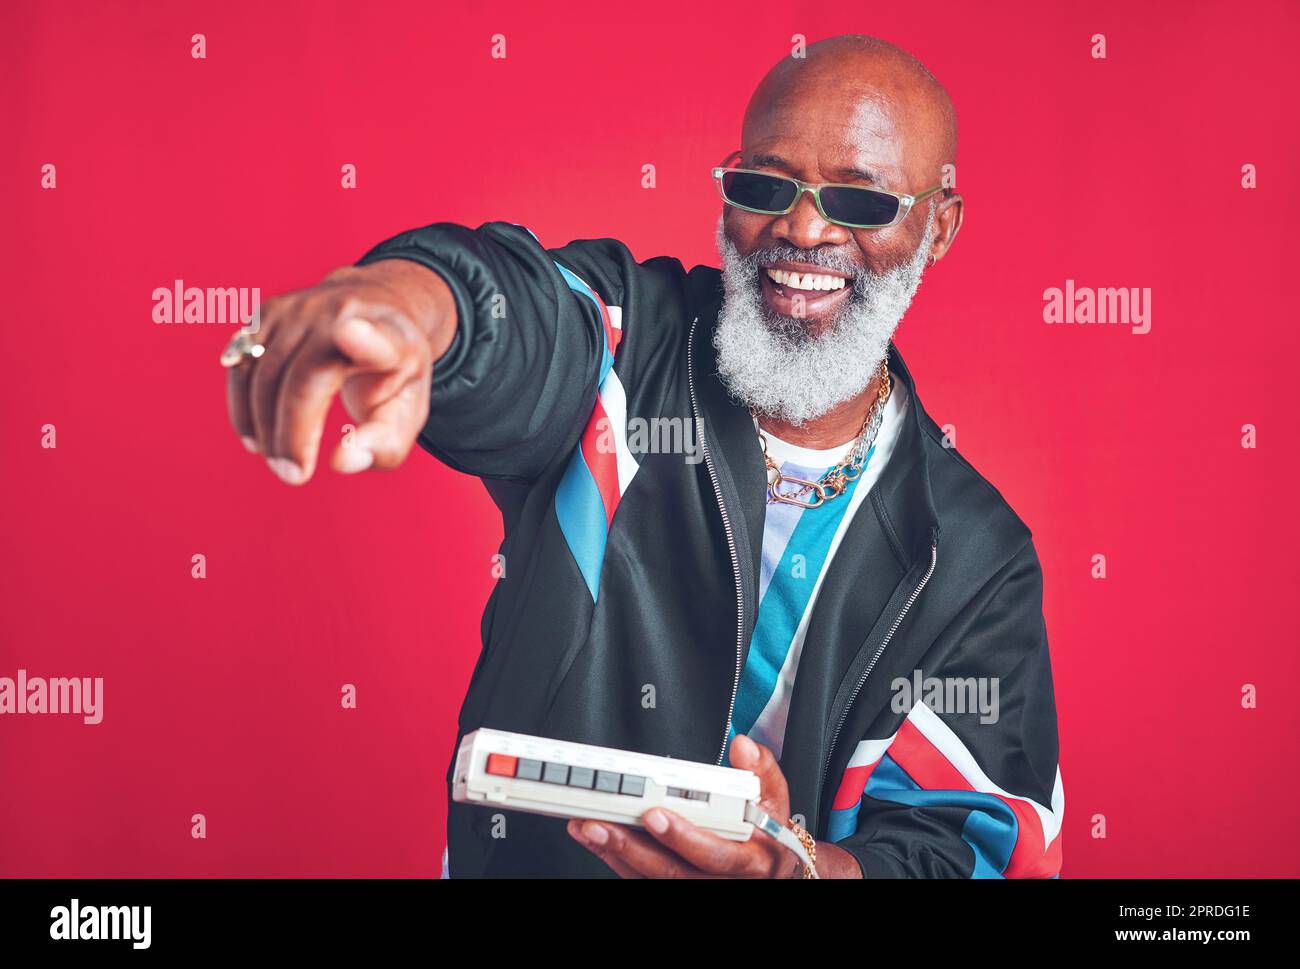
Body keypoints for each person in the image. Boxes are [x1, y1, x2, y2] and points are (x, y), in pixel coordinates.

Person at [223, 34, 1063, 878]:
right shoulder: (631, 349)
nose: (803, 227)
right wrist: (409, 303)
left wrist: (795, 868)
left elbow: (970, 851)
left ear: (939, 225)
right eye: (764, 185)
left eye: (862, 202)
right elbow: (518, 309)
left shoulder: (974, 558)